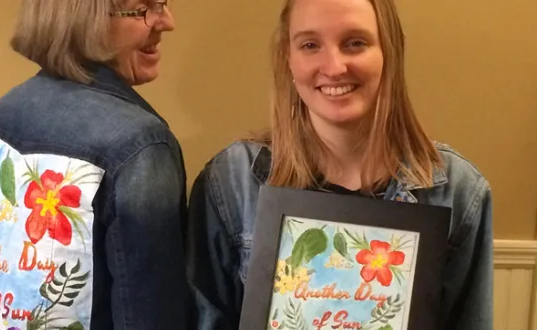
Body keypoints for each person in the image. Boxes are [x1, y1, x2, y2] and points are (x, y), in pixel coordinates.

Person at [186, 0, 493, 329]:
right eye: (310, 45)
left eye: (355, 43)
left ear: (390, 51)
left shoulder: (458, 190)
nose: (334, 67)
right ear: (287, 58)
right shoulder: (231, 182)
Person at [0, 1, 189, 329]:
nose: (167, 21)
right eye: (144, 9)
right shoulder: (141, 146)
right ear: (86, 19)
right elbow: (151, 318)